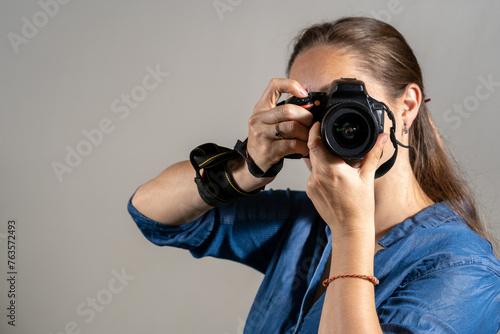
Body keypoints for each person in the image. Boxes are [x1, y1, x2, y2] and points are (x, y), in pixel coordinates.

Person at [127, 17, 500, 333]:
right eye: (313, 106)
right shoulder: (306, 224)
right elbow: (153, 214)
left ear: (407, 106)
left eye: (351, 104)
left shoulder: (463, 270)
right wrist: (247, 167)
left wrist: (351, 231)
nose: (331, 126)